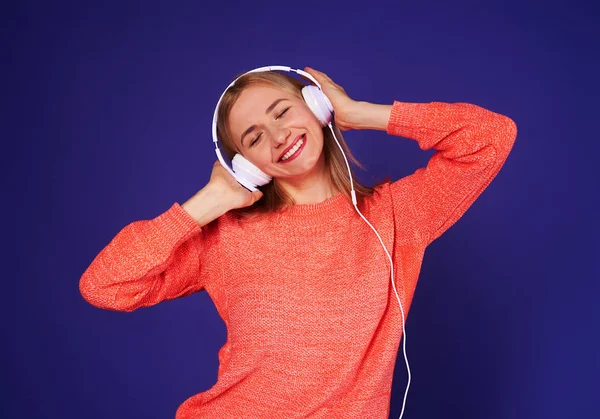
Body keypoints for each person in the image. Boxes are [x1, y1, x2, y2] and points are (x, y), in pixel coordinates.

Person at [79, 66, 518, 418]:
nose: (277, 136)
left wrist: (360, 113)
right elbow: (105, 285)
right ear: (244, 163)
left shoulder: (397, 216)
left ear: (316, 107)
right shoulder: (225, 236)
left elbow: (490, 137)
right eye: (253, 137)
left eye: (282, 112)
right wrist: (207, 202)